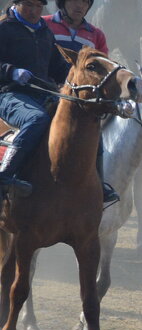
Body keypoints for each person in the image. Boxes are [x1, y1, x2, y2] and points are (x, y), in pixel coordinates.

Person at [43, 0, 117, 204]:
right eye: (74, 1)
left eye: (85, 2)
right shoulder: (44, 24)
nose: (80, 6)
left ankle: (100, 184)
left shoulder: (96, 35)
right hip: (46, 90)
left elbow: (103, 72)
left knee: (96, 137)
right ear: (63, 3)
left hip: (81, 99)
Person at [0, 0, 71, 199]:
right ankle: (4, 177)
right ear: (16, 3)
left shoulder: (44, 31)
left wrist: (78, 76)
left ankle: (99, 183)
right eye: (29, 5)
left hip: (42, 94)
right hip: (8, 94)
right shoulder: (4, 27)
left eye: (38, 7)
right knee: (37, 119)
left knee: (82, 117)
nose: (34, 11)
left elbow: (58, 68)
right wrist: (11, 71)